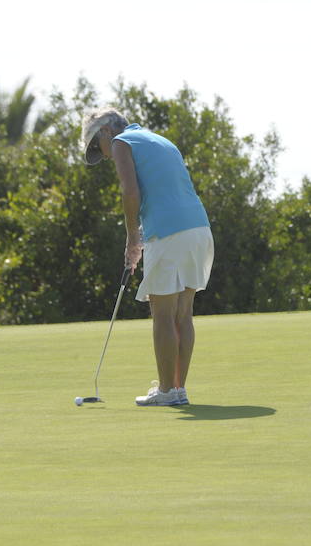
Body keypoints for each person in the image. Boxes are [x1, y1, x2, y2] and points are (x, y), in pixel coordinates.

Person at [82, 108, 214, 406]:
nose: (102, 155)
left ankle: (167, 391)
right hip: (199, 229)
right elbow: (162, 192)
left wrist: (132, 238)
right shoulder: (158, 140)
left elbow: (130, 193)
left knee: (163, 313)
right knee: (183, 313)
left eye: (96, 146)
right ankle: (177, 389)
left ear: (105, 130)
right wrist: (140, 236)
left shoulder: (120, 142)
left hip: (169, 234)